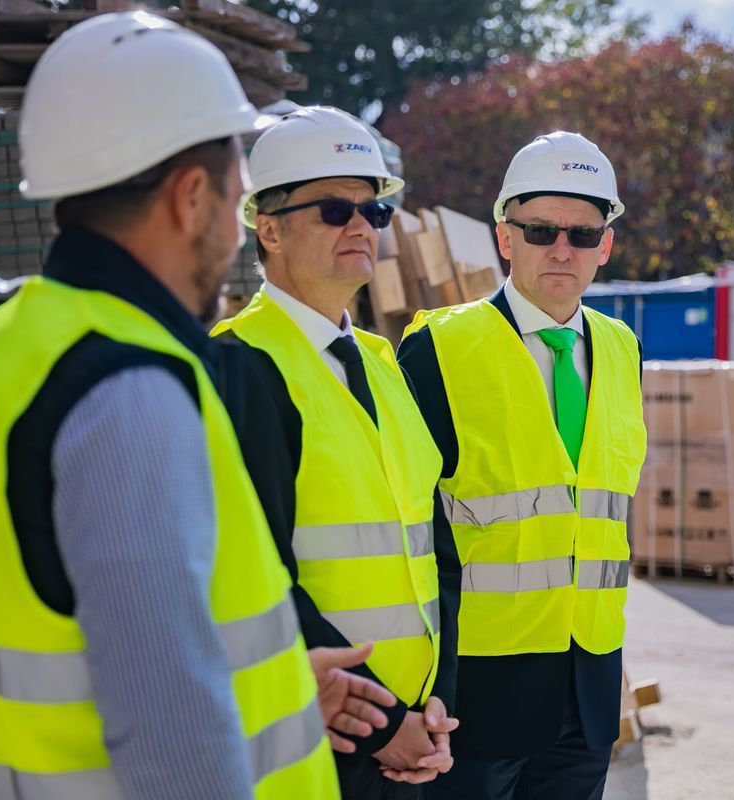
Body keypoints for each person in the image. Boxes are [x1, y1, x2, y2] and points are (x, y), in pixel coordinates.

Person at [0, 14, 396, 799]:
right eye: (237, 199)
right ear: (191, 197)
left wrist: (278, 682)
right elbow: (170, 734)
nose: (236, 228)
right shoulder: (128, 393)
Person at [212, 106, 461, 798]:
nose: (361, 225)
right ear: (269, 227)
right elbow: (253, 578)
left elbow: (434, 548)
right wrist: (388, 727)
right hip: (317, 738)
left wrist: (437, 701)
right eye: (332, 209)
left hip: (417, 731)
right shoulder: (237, 367)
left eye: (374, 211)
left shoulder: (384, 363)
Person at [397, 131, 646, 800]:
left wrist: (613, 665)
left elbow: (605, 516)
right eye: (541, 230)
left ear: (607, 245)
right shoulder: (438, 349)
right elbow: (410, 528)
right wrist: (421, 691)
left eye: (583, 234)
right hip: (475, 689)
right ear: (505, 238)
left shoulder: (622, 350)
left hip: (588, 685)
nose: (563, 248)